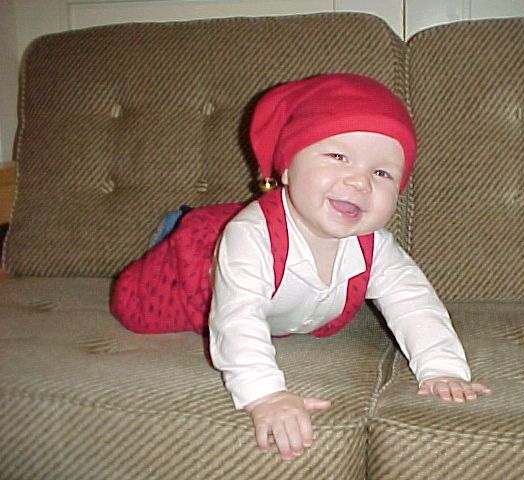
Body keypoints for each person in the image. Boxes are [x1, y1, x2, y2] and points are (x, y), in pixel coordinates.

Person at [110, 73, 490, 462]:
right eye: (338, 157)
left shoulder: (375, 246)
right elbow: (237, 318)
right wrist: (265, 395)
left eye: (382, 173)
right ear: (288, 169)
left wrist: (442, 369)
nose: (359, 181)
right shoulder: (251, 236)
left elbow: (413, 302)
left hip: (270, 291)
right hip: (193, 272)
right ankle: (175, 227)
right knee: (134, 307)